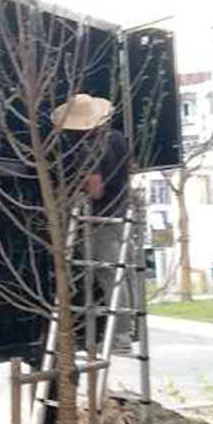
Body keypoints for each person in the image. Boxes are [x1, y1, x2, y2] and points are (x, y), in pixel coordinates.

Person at [51, 93, 133, 352]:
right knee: (121, 273)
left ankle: (120, 337)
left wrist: (75, 190)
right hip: (120, 212)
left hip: (100, 218)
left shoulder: (91, 148)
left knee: (108, 275)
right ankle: (126, 331)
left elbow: (96, 190)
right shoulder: (118, 138)